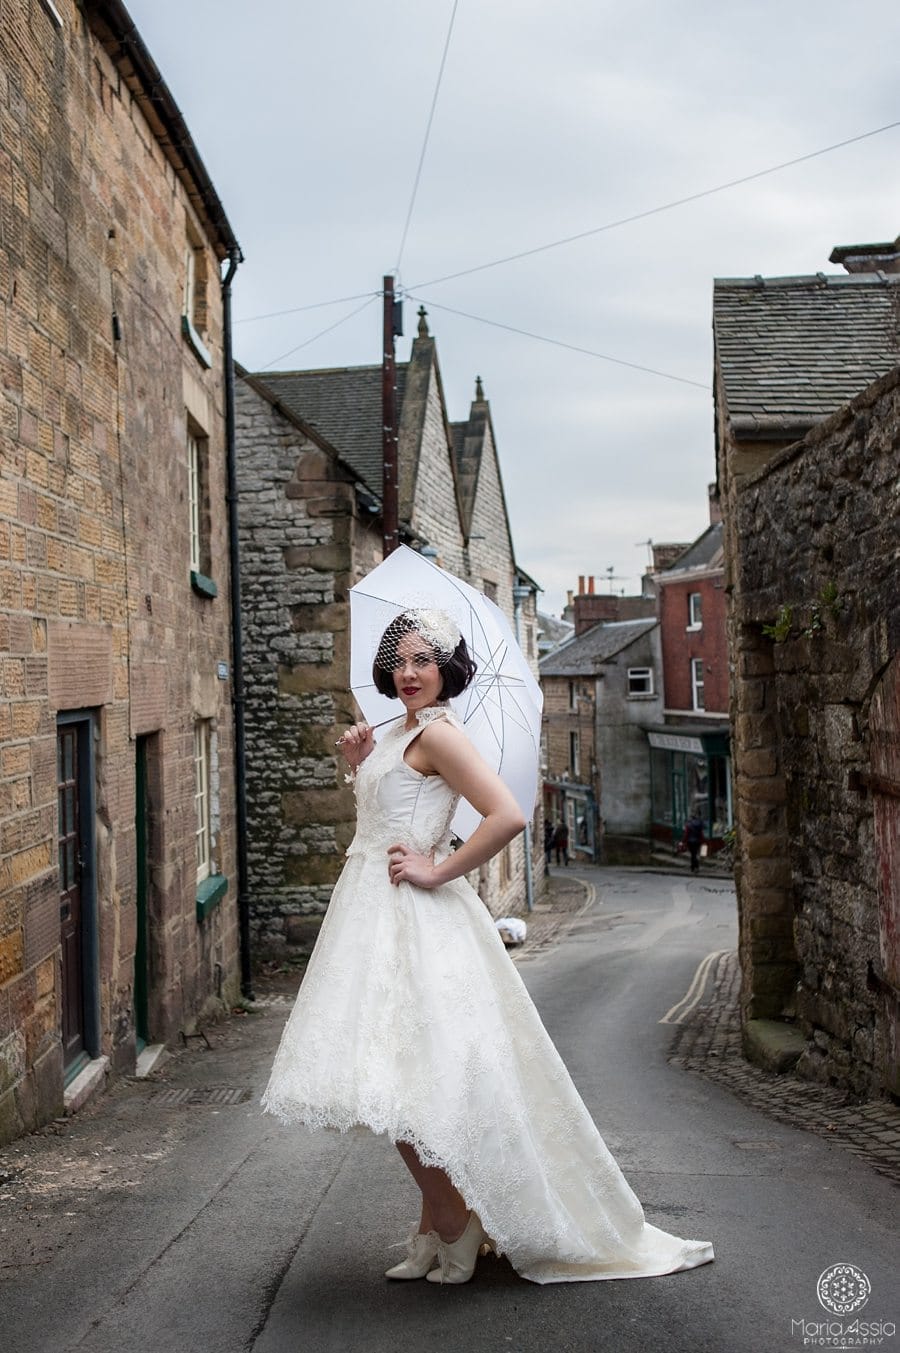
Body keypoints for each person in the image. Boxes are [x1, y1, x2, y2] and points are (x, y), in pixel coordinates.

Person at [261, 607, 714, 1285]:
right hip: (371, 915)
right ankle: (433, 1228)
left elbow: (505, 814)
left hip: (415, 916)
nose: (409, 672)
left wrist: (437, 869)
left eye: (424, 659)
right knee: (407, 1079)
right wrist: (360, 765)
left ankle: (457, 1223)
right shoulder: (396, 731)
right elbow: (389, 809)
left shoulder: (441, 734)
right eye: (400, 659)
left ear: (447, 669)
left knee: (409, 1085)